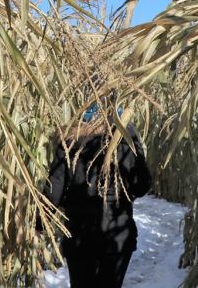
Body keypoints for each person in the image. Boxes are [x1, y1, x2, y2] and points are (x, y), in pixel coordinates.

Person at [43, 121, 153, 287]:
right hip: (116, 234)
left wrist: (40, 223)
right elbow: (141, 186)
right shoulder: (126, 136)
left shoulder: (71, 138)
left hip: (79, 236)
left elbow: (54, 190)